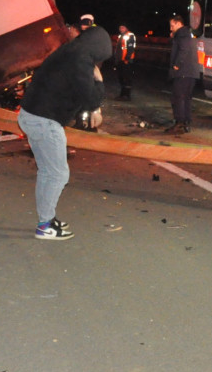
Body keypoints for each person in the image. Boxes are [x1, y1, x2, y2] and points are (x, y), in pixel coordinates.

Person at [17, 26, 112, 240]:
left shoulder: (71, 51)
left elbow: (75, 91)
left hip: (32, 115)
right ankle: (44, 226)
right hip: (44, 121)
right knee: (59, 174)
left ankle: (46, 219)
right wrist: (99, 80)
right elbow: (91, 97)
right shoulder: (80, 60)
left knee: (47, 172)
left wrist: (93, 107)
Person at [166, 14, 199, 133]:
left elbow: (183, 50)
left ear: (179, 23)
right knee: (186, 98)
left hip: (183, 72)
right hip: (191, 72)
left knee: (178, 98)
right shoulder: (187, 34)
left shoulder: (182, 35)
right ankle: (186, 123)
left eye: (172, 25)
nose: (170, 28)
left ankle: (179, 122)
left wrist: (176, 65)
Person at [113, 24, 136, 100]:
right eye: (120, 27)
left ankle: (126, 95)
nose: (121, 28)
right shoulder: (120, 36)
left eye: (123, 27)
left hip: (126, 61)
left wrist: (127, 59)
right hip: (120, 60)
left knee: (126, 78)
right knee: (121, 78)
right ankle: (122, 95)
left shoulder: (130, 35)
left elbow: (130, 48)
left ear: (126, 28)